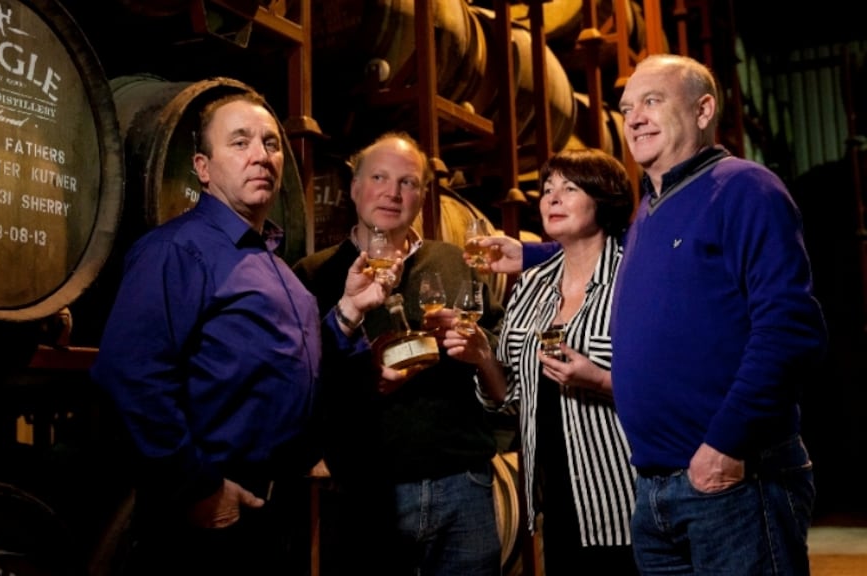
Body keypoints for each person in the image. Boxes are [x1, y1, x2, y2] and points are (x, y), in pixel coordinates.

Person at [480, 53, 829, 575]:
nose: (635, 117)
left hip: (730, 479)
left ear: (704, 108)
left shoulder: (744, 188)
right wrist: (530, 254)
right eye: (626, 108)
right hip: (654, 488)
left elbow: (790, 329)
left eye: (652, 101)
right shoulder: (650, 210)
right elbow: (593, 250)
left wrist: (725, 446)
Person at [90, 88, 396, 576]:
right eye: (240, 142)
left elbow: (299, 363)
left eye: (271, 144)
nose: (262, 156)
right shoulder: (176, 250)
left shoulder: (273, 265)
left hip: (273, 511)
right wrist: (197, 486)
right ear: (202, 168)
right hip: (209, 516)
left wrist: (347, 312)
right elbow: (130, 373)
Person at [292, 132, 504, 576]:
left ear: (423, 195)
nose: (392, 192)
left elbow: (502, 377)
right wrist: (363, 378)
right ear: (354, 188)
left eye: (407, 182)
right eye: (379, 178)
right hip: (367, 492)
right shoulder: (313, 275)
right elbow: (299, 383)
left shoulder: (454, 262)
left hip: (463, 483)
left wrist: (481, 355)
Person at [450, 147, 638, 575]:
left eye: (569, 189)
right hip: (552, 493)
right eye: (548, 188)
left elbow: (668, 384)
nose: (552, 198)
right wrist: (482, 356)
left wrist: (599, 380)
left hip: (621, 493)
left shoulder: (632, 278)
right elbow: (511, 397)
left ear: (604, 200)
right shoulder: (532, 284)